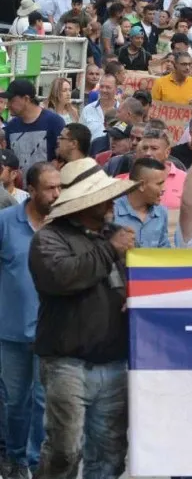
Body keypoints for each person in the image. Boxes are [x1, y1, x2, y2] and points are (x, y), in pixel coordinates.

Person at [28, 158, 139, 479]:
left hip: (115, 361)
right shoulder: (49, 238)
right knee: (65, 451)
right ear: (85, 202)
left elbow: (139, 280)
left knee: (111, 452)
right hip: (67, 363)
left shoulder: (118, 236)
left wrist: (139, 297)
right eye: (104, 197)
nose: (111, 203)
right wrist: (109, 250)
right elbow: (60, 277)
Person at [0, 162, 60, 478]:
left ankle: (37, 463)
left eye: (59, 187)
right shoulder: (5, 222)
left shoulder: (64, 225)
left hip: (51, 333)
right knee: (13, 401)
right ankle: (14, 457)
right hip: (10, 332)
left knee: (43, 402)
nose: (56, 193)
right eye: (49, 188)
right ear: (31, 190)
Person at [3, 80, 66, 170]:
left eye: (12, 100)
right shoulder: (11, 126)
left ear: (26, 99)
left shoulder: (54, 122)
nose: (8, 105)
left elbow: (63, 156)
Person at [112, 158, 170, 248]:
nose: (163, 189)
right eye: (159, 184)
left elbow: (164, 250)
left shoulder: (161, 213)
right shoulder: (112, 212)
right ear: (141, 185)